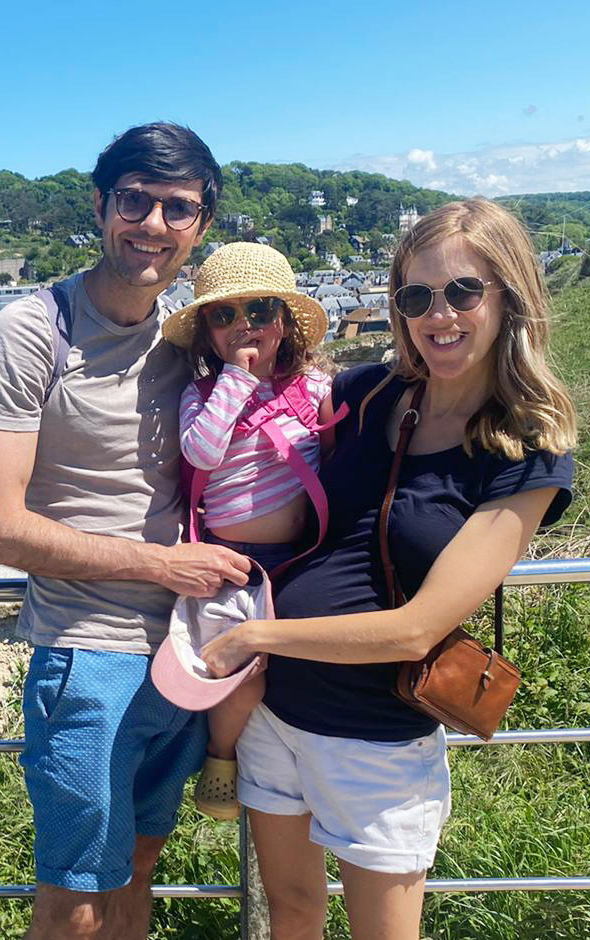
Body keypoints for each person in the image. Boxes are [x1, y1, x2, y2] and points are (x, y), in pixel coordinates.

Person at [200, 198, 576, 940]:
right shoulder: (371, 394)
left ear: (510, 297)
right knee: (292, 917)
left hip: (375, 735)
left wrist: (253, 640)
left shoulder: (526, 452)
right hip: (276, 716)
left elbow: (418, 629)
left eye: (464, 291)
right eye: (416, 296)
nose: (440, 314)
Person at [0, 122, 251, 940]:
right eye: (135, 200)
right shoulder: (31, 330)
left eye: (178, 208)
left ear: (201, 225)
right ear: (99, 204)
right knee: (78, 901)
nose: (153, 225)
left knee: (141, 872)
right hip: (87, 654)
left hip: (188, 653)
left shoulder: (187, 333)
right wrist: (164, 565)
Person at [161, 241, 332, 819]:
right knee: (244, 673)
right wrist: (235, 381)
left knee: (301, 672)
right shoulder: (202, 394)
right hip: (230, 561)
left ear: (284, 323)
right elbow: (202, 450)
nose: (243, 326)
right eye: (224, 315)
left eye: (259, 311)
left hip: (296, 559)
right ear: (207, 330)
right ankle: (221, 755)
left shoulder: (309, 389)